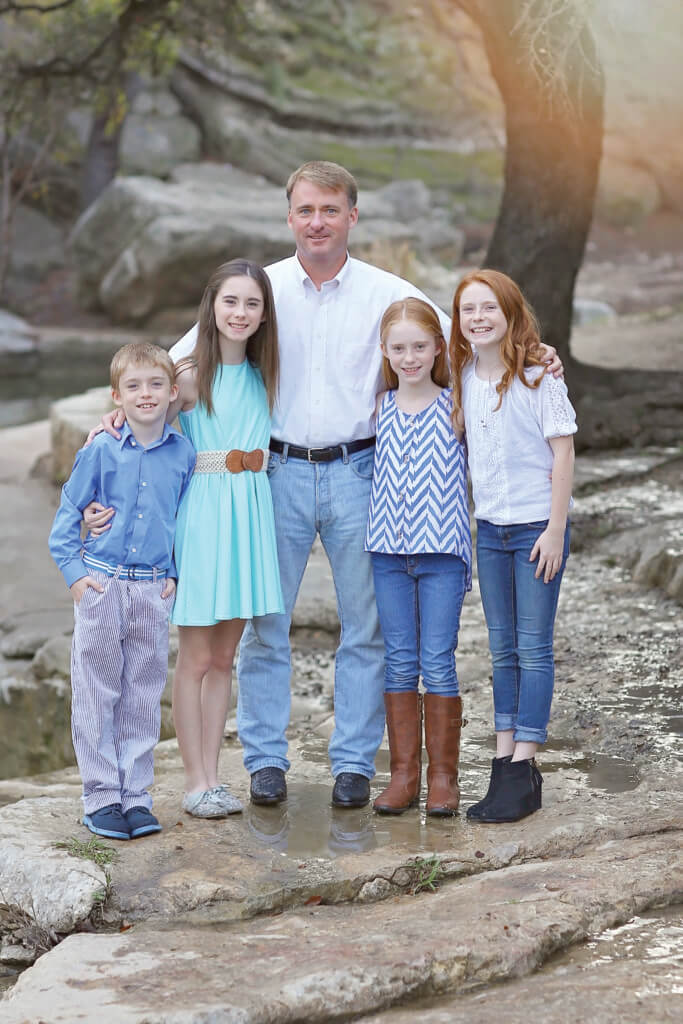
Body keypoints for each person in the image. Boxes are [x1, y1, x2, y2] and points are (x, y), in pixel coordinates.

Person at [88, 260, 284, 820]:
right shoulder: (189, 375)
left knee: (225, 657)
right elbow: (138, 423)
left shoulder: (265, 372)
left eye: (251, 303)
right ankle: (193, 780)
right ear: (212, 306)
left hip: (250, 515)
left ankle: (215, 779)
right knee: (196, 656)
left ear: (263, 312)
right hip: (204, 516)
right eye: (230, 302)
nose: (240, 313)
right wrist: (107, 424)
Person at [49, 343, 196, 840]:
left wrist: (173, 572)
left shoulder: (183, 454)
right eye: (133, 386)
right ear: (116, 396)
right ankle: (101, 795)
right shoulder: (100, 449)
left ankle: (135, 795)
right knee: (96, 690)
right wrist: (76, 575)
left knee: (142, 694)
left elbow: (182, 520)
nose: (146, 394)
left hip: (152, 591)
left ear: (173, 392)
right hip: (103, 583)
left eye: (156, 384)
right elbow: (68, 518)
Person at [449, 269, 576, 823]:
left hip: (534, 530)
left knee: (533, 647)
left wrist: (554, 529)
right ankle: (504, 764)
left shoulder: (538, 378)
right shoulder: (460, 377)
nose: (478, 318)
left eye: (488, 308)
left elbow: (564, 455)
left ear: (509, 313)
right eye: (467, 310)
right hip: (490, 531)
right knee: (500, 650)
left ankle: (523, 766)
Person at [366, 299, 472, 817]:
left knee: (437, 661)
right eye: (398, 348)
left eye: (420, 347)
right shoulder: (377, 406)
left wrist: (541, 355)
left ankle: (443, 778)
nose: (410, 358)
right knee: (400, 661)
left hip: (442, 556)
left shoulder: (458, 403)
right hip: (388, 552)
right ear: (385, 352)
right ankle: (404, 775)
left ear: (438, 347)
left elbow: (504, 367)